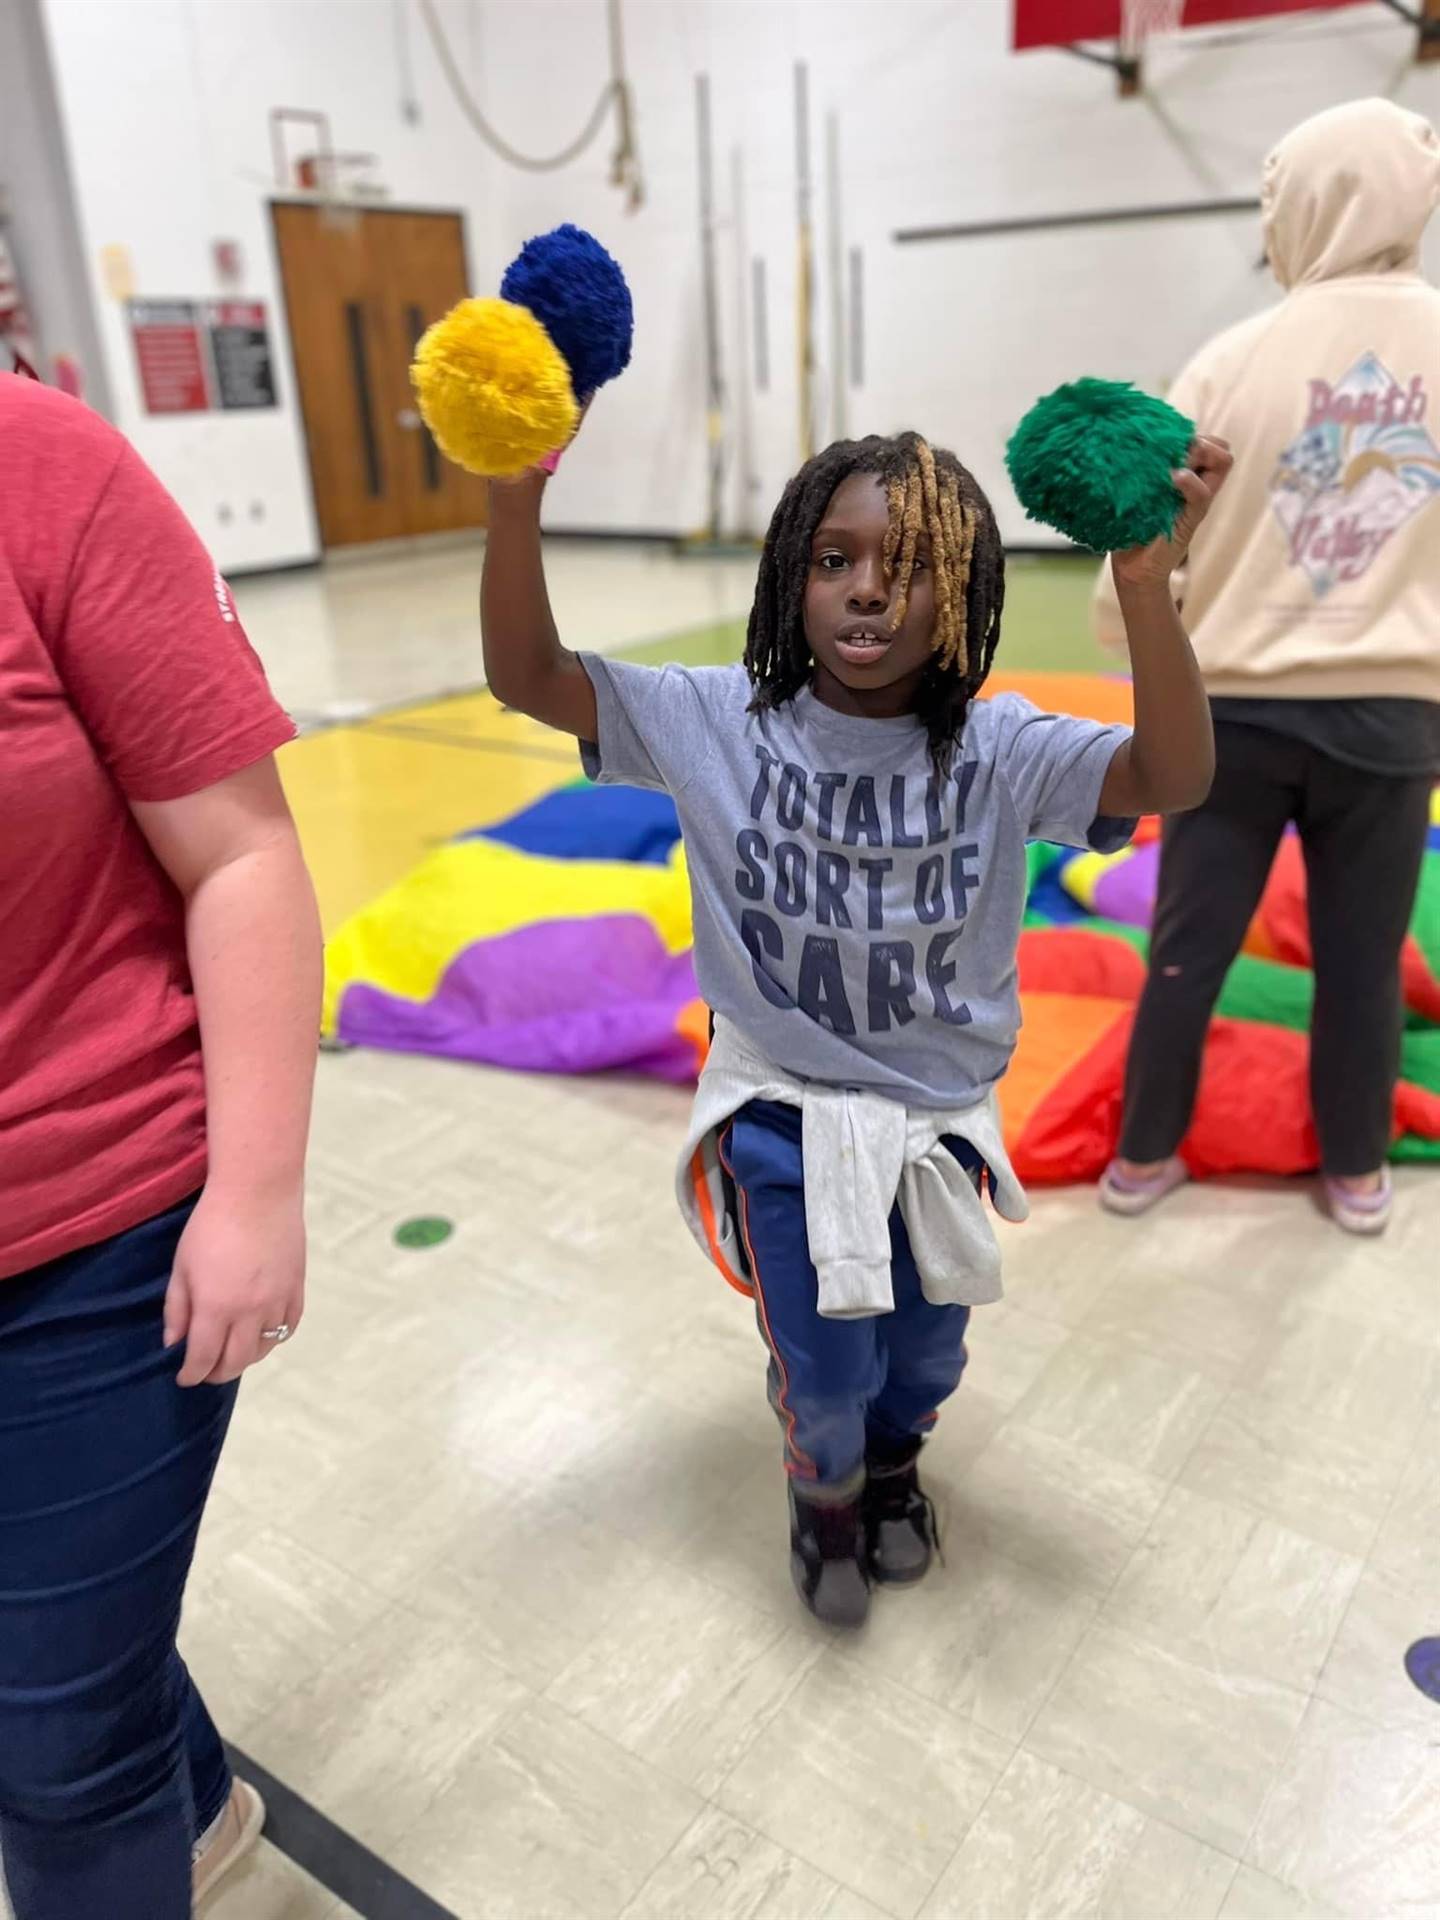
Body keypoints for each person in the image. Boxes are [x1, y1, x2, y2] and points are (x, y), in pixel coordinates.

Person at [481, 421, 1227, 1625]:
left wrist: (1145, 583)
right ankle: (823, 1491)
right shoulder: (711, 719)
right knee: (825, 1371)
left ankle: (893, 1470)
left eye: (912, 563)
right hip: (780, 1114)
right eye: (833, 560)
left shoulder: (1002, 747)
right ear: (790, 576)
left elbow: (1174, 777)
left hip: (937, 1127)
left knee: (924, 1361)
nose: (869, 586)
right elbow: (528, 675)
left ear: (969, 590)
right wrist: (516, 498)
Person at [0, 373, 322, 1918]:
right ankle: (194, 1803)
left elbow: (246, 851)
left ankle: (147, 1809)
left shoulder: (39, 465)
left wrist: (256, 1191)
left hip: (88, 1236)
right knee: (59, 1668)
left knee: (60, 1762)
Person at [1094, 98, 1440, 1235]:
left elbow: (1143, 559)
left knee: (1188, 946)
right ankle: (1356, 1171)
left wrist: (1136, 633)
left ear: (1294, 207)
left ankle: (1142, 1156)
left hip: (1228, 718)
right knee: (1364, 958)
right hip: (1395, 720)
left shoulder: (1227, 360)